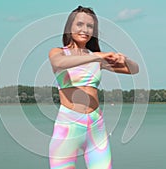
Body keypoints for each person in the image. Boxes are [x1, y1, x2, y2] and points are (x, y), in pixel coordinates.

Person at [48, 5, 139, 169]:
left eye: (90, 26)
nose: (85, 30)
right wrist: (95, 57)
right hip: (69, 127)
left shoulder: (95, 58)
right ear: (70, 27)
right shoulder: (59, 52)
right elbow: (58, 63)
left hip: (96, 127)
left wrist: (124, 59)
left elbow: (134, 70)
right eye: (80, 24)